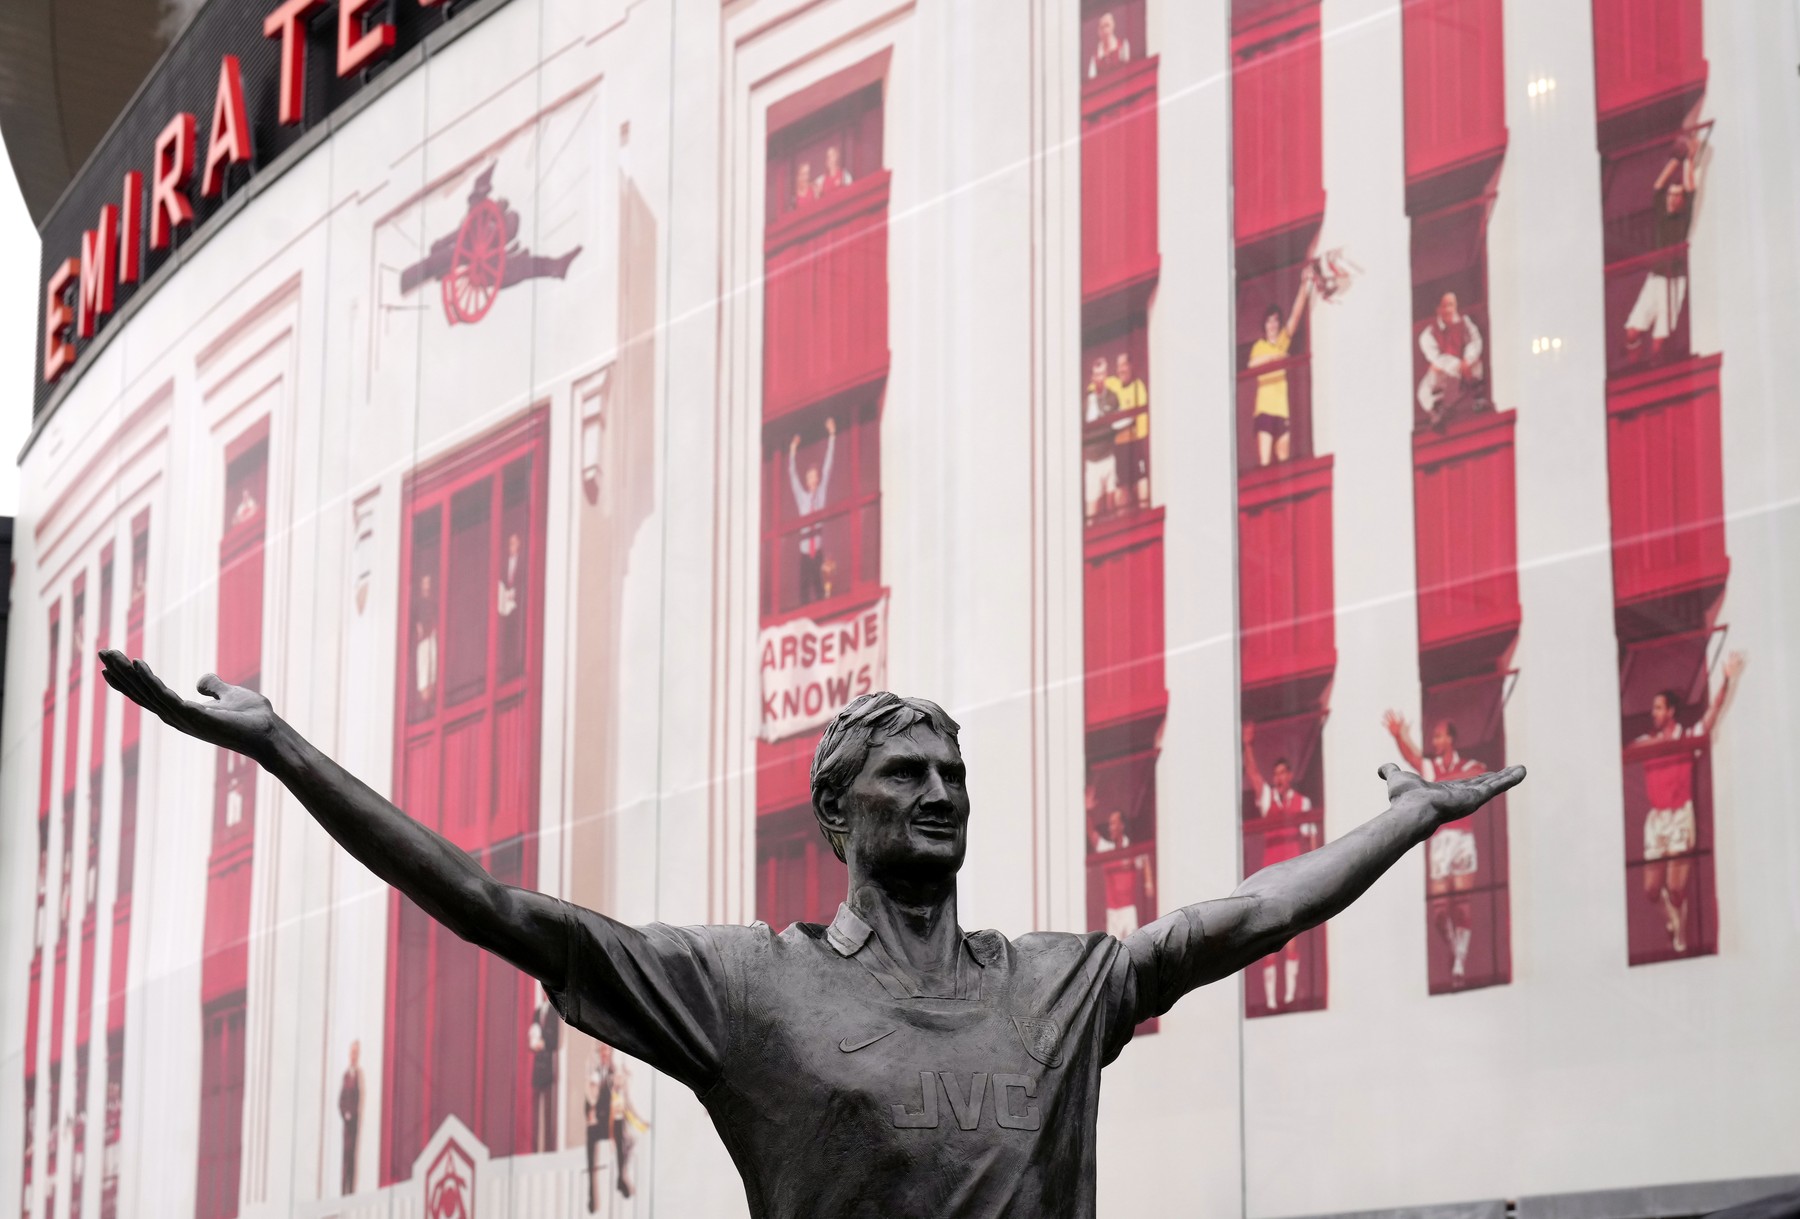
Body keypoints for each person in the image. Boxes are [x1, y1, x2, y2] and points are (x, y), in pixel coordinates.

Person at [98, 655, 1523, 1219]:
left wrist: (1404, 820)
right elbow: (504, 911)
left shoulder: (1056, 982)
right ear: (838, 811)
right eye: (908, 772)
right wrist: (283, 748)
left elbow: (1246, 915)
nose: (941, 791)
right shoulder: (749, 987)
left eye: (954, 773)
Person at [1634, 651, 1745, 955]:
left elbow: (1713, 713)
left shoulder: (1687, 736)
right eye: (1653, 708)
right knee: (1651, 890)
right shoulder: (1645, 742)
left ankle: (1679, 928)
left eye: (1658, 708)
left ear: (1671, 711)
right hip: (1657, 820)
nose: (1654, 713)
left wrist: (1726, 679)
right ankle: (1671, 920)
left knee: (1676, 887)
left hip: (1680, 815)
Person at [1383, 712, 1485, 982]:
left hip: (1463, 839)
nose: (1435, 741)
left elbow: (1478, 772)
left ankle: (1460, 962)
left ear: (1450, 739)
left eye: (1439, 736)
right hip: (1440, 841)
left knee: (1462, 904)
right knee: (1440, 908)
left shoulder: (1467, 764)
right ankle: (1454, 949)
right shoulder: (1431, 769)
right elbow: (1412, 757)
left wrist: (1443, 782)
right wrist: (1399, 735)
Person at [1241, 723, 1321, 1011]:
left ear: (1289, 776)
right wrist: (1248, 745)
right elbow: (1253, 774)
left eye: (1282, 773)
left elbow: (1312, 841)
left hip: (1294, 879)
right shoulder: (1267, 799)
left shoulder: (1303, 802)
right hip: (1270, 880)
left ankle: (1289, 996)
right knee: (1269, 940)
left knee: (1292, 938)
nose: (1278, 778)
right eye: (1275, 774)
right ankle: (1272, 1001)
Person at [1624, 136, 1698, 362]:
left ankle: (1655, 365)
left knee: (1659, 340)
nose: (1672, 199)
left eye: (1676, 196)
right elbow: (1658, 186)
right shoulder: (1662, 215)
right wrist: (1677, 158)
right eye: (1670, 195)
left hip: (1674, 280)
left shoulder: (1683, 217)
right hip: (1656, 277)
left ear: (1682, 201)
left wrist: (1689, 160)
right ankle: (1635, 359)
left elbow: (1691, 189)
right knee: (1632, 331)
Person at [1247, 268, 1313, 467]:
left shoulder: (1282, 341)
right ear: (1264, 325)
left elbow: (1295, 315)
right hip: (1265, 408)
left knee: (1284, 455)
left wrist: (1304, 285)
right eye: (1269, 321)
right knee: (1265, 459)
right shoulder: (1259, 346)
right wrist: (1276, 357)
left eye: (1276, 321)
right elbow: (1252, 364)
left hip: (1282, 408)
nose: (1273, 325)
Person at [1416, 291, 1486, 428]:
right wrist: (1458, 366)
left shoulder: (1465, 322)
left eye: (1451, 305)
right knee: (1424, 390)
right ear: (1438, 309)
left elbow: (1475, 341)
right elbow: (1436, 358)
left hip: (1466, 368)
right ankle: (1439, 412)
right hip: (1446, 372)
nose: (1449, 309)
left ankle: (1478, 397)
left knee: (1476, 363)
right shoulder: (1428, 334)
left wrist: (1467, 360)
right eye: (1445, 306)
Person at [787, 417, 837, 606]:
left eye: (815, 476)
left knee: (820, 587)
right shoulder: (802, 497)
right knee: (804, 592)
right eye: (809, 477)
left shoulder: (821, 494)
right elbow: (792, 475)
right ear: (807, 481)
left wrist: (832, 435)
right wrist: (792, 450)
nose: (813, 480)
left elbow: (828, 466)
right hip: (805, 552)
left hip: (818, 550)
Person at [1089, 808, 1154, 938]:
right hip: (1112, 913)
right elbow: (1093, 835)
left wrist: (1149, 883)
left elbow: (1144, 858)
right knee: (1114, 949)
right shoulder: (1106, 849)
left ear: (1122, 825)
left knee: (1131, 947)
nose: (1110, 828)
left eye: (1113, 823)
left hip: (1128, 911)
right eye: (1109, 824)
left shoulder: (1131, 848)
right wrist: (1088, 812)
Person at [1109, 353, 1149, 510]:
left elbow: (1142, 420)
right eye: (1118, 366)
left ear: (1131, 366)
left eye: (1124, 365)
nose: (1121, 369)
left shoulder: (1138, 386)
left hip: (1136, 444)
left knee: (1142, 482)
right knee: (1122, 489)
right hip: (1119, 446)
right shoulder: (1113, 384)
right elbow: (1094, 386)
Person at [1083, 357, 1121, 519]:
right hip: (1092, 463)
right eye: (1097, 374)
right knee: (1092, 513)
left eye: (1102, 374)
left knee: (1112, 509)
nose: (1100, 378)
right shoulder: (1085, 401)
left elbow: (1118, 423)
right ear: (1092, 377)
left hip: (1109, 458)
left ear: (1106, 375)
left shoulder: (1113, 397)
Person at [529, 986, 562, 1152]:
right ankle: (535, 1148)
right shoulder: (537, 1012)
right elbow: (532, 1036)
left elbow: (555, 1040)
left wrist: (544, 1043)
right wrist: (534, 1044)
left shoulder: (554, 1013)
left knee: (548, 1108)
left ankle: (549, 1147)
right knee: (536, 1107)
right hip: (538, 1066)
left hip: (548, 1065)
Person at [584, 1047, 609, 1212]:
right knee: (591, 1160)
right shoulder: (594, 1073)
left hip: (605, 1122)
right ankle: (592, 1199)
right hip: (594, 1124)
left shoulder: (607, 1074)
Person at [498, 531, 525, 677]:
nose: (511, 547)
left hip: (518, 606)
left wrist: (515, 592)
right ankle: (507, 669)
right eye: (510, 544)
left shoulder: (523, 562)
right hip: (507, 607)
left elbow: (522, 582)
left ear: (519, 544)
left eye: (514, 543)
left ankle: (517, 667)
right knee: (507, 639)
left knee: (517, 636)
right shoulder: (504, 564)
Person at [338, 1040, 363, 1196]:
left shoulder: (358, 1076)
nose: (354, 1056)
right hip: (347, 1124)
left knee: (352, 1157)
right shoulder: (346, 1076)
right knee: (346, 1156)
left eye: (356, 1053)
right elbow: (341, 1100)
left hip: (354, 1123)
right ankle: (343, 1190)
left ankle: (351, 1191)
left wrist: (354, 1114)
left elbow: (358, 1098)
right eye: (352, 1053)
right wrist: (345, 1114)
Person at [411, 572, 438, 713]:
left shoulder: (434, 602)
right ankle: (425, 704)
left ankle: (431, 701)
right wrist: (418, 628)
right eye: (425, 583)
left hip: (431, 637)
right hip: (423, 640)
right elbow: (414, 620)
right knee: (424, 670)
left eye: (429, 583)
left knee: (432, 669)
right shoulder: (418, 603)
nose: (427, 586)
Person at [1087, 10, 1131, 78]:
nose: (1105, 30)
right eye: (1102, 27)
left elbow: (1127, 71)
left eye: (1107, 25)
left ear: (1113, 25)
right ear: (1098, 31)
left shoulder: (1123, 45)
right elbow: (1091, 79)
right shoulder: (1095, 57)